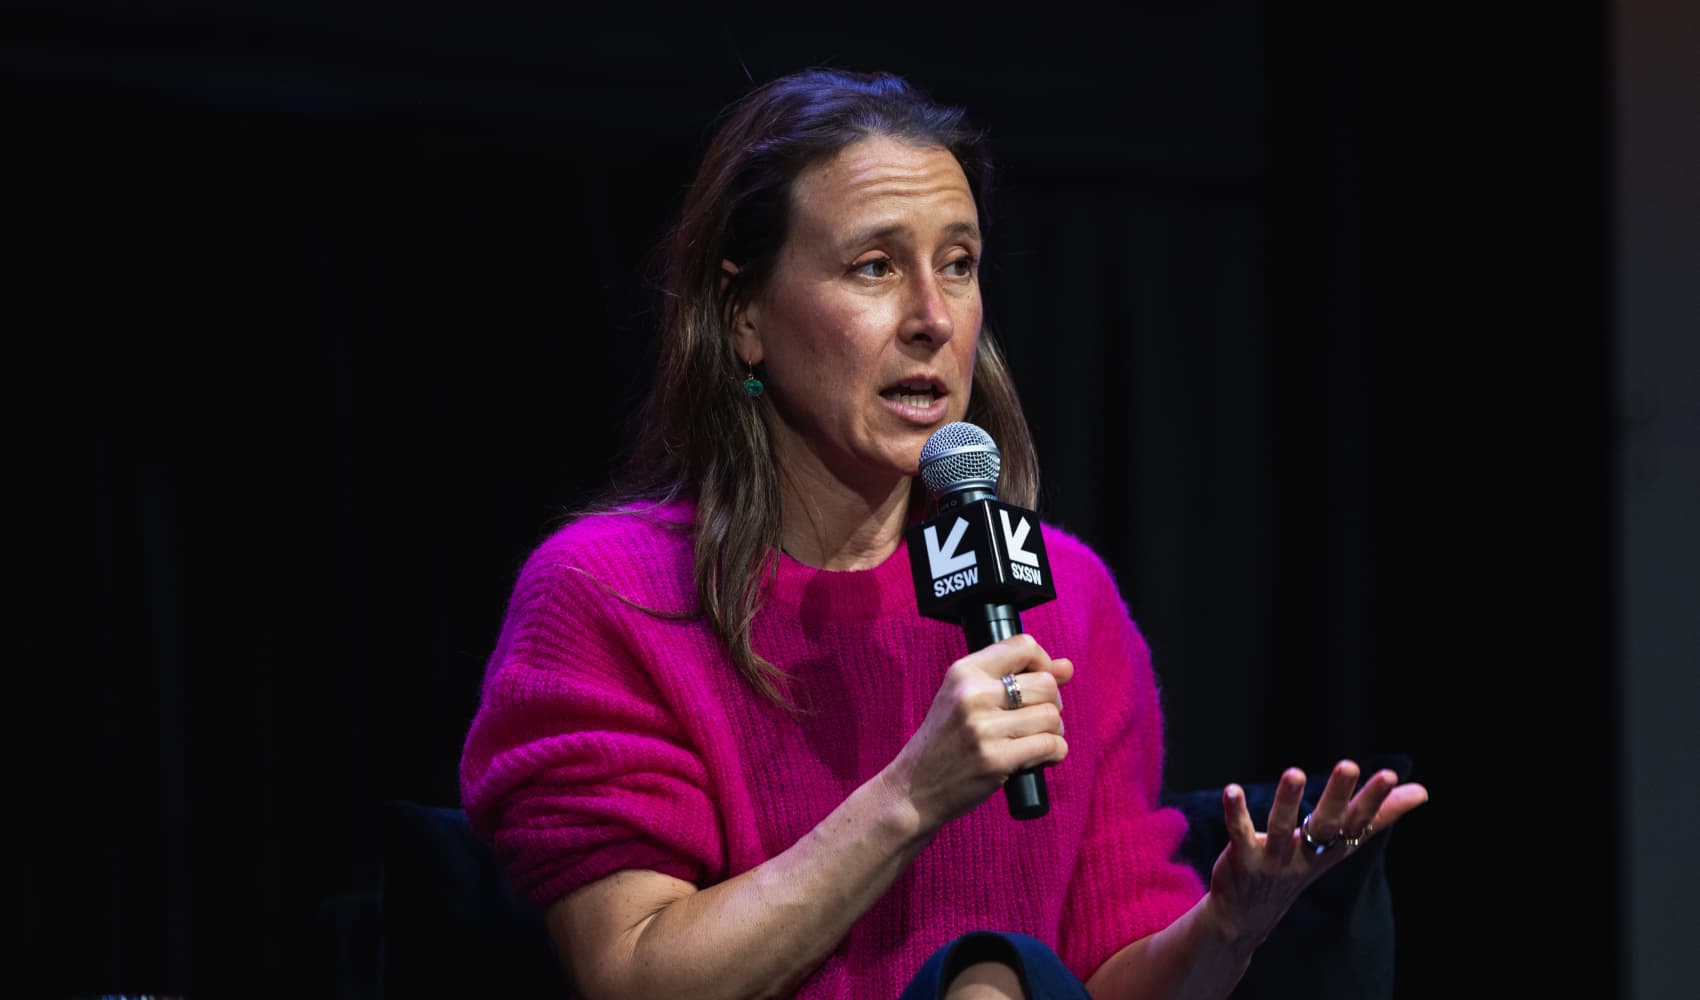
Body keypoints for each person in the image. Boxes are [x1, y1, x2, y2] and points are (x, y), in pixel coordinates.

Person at [458, 67, 1427, 999]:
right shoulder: (611, 593)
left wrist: (1231, 922)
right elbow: (630, 973)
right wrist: (912, 793)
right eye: (873, 266)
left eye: (956, 264)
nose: (930, 317)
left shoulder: (1060, 593)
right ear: (742, 314)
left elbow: (1099, 976)